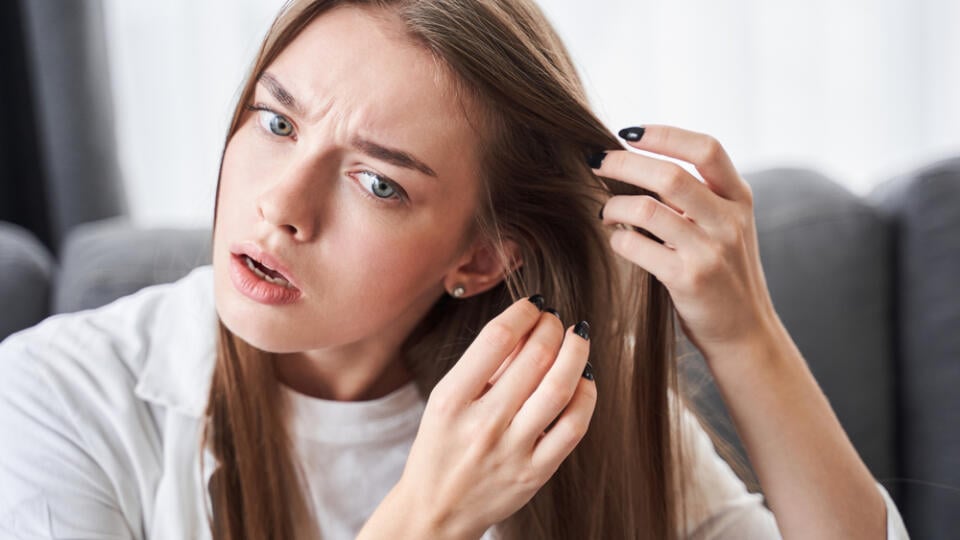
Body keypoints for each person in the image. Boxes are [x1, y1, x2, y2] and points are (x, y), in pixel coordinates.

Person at [0, 0, 909, 539]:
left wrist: (746, 335)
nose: (282, 205)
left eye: (376, 181)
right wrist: (430, 515)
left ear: (481, 258)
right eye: (276, 123)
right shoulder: (54, 398)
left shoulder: (548, 402)